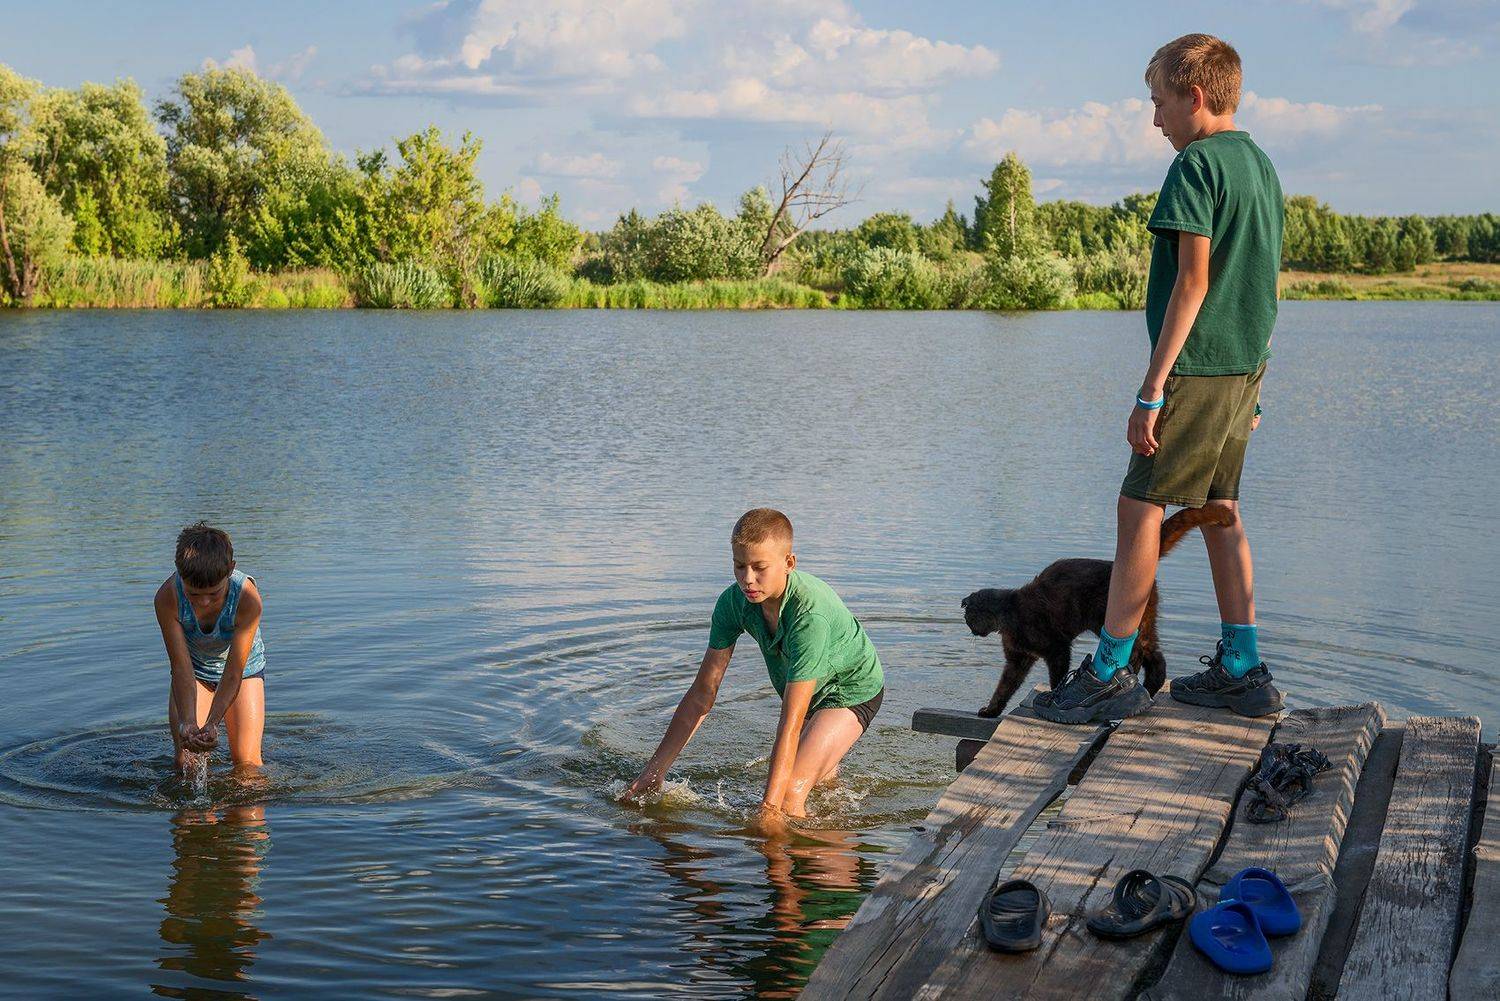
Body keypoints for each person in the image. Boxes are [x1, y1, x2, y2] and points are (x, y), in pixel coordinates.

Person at [1035, 33, 1285, 725]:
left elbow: (1194, 283)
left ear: (1194, 96)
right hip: (1240, 370)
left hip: (1196, 369)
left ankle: (1110, 671)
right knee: (1218, 509)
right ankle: (1243, 667)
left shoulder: (1197, 165)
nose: (1155, 120)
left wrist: (1152, 389)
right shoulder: (1260, 167)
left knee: (1139, 508)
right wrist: (1254, 387)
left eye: (1159, 102)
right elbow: (1262, 285)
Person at [622, 509, 885, 832]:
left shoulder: (808, 617)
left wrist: (769, 809)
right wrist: (653, 773)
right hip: (811, 688)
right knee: (810, 778)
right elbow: (702, 694)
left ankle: (796, 871)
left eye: (760, 568)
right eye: (739, 566)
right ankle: (831, 808)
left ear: (789, 563)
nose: (748, 579)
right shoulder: (733, 604)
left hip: (850, 687)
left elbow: (789, 722)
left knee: (788, 796)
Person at [154, 522, 267, 769]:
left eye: (214, 594)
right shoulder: (168, 597)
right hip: (194, 671)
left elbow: (234, 670)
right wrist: (188, 722)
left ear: (230, 570)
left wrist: (213, 722)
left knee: (247, 765)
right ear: (180, 574)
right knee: (188, 761)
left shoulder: (247, 598)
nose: (204, 602)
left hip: (243, 671)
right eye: (194, 594)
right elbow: (181, 666)